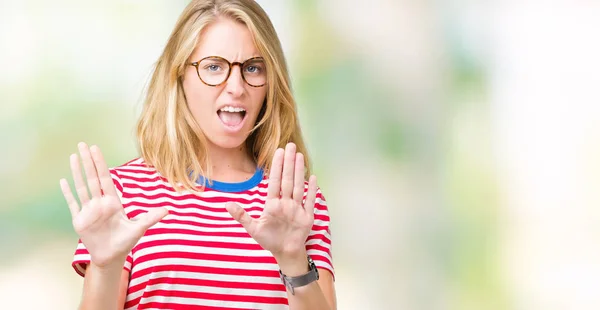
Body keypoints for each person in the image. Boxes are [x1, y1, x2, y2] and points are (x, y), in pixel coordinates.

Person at [59, 1, 336, 309]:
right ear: (180, 76)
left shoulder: (297, 201)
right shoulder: (122, 193)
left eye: (253, 68)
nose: (236, 86)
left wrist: (293, 261)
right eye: (213, 67)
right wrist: (105, 266)